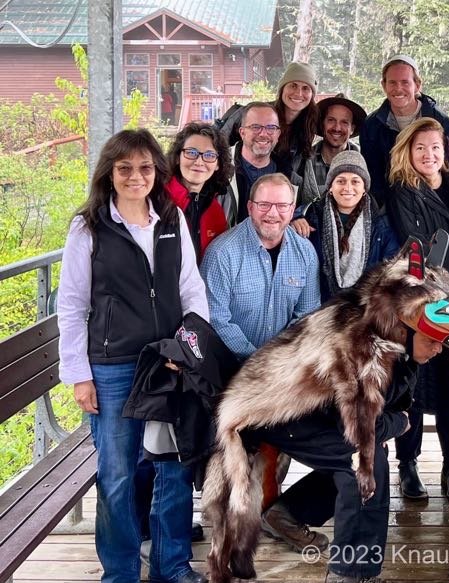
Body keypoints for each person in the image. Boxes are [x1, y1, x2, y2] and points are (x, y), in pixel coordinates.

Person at [57, 129, 209, 583]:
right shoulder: (88, 227)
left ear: (157, 173)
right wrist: (78, 374)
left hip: (167, 364)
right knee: (118, 475)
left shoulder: (171, 218)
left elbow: (191, 289)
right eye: (124, 168)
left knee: (173, 469)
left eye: (145, 168)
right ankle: (120, 573)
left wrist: (188, 347)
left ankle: (172, 567)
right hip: (113, 368)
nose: (135, 176)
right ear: (110, 172)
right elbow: (71, 304)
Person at [237, 329, 443, 583]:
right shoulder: (371, 353)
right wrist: (398, 424)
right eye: (431, 341)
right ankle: (347, 573)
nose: (438, 349)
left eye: (441, 342)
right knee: (366, 464)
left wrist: (385, 425)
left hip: (316, 414)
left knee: (368, 455)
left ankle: (287, 514)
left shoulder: (401, 351)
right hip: (281, 415)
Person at [200, 172, 325, 551]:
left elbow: (309, 315)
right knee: (238, 445)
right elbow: (216, 318)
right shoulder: (223, 252)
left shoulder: (304, 252)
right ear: (251, 207)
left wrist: (282, 365)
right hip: (232, 367)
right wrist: (258, 363)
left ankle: (276, 508)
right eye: (265, 205)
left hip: (284, 368)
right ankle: (228, 517)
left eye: (282, 205)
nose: (273, 213)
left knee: (333, 429)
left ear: (293, 209)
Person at [386, 117, 449, 500]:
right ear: (407, 152)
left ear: (446, 150)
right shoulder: (402, 192)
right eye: (420, 148)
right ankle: (408, 465)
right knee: (413, 385)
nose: (428, 155)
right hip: (422, 303)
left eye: (435, 147)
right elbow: (421, 249)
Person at [296, 149, 400, 301]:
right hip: (318, 306)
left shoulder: (381, 225)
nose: (348, 188)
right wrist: (294, 219)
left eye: (355, 181)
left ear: (364, 188)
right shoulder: (311, 216)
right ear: (330, 187)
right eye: (341, 181)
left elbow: (392, 270)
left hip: (363, 308)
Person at [360, 54, 449, 205]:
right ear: (384, 85)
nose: (398, 88)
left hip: (434, 203)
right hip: (390, 206)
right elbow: (372, 173)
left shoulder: (439, 121)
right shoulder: (373, 124)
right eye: (392, 82)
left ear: (417, 85)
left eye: (405, 82)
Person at [165, 122, 234, 259]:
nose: (199, 162)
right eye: (191, 153)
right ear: (178, 157)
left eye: (209, 155)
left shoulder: (216, 211)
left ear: (217, 164)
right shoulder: (159, 199)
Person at [226, 102, 288, 225]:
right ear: (242, 133)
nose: (263, 134)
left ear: (278, 134)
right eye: (255, 127)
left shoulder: (291, 178)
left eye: (271, 128)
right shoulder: (218, 167)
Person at [271, 61, 320, 205]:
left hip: (286, 197)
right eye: (293, 85)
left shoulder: (308, 124)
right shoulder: (263, 115)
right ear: (282, 89)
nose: (299, 93)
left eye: (306, 88)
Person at [302, 93, 366, 202]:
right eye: (331, 120)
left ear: (352, 129)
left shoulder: (365, 162)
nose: (337, 128)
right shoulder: (303, 161)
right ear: (322, 125)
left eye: (344, 122)